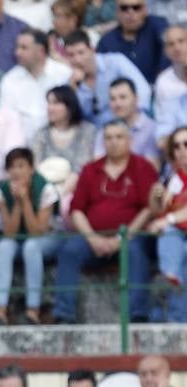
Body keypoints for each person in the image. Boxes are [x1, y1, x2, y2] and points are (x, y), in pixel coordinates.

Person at [51, 119, 156, 323]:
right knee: (69, 251)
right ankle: (63, 315)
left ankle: (137, 316)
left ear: (130, 140)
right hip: (93, 237)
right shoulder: (90, 169)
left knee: (135, 252)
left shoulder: (142, 167)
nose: (113, 142)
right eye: (108, 137)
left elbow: (148, 209)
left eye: (119, 137)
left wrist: (122, 238)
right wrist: (92, 238)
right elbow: (77, 210)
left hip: (130, 237)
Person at [0, 147, 62, 324]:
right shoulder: (1, 191)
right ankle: (0, 310)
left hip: (47, 238)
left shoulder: (46, 189)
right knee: (3, 245)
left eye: (21, 166)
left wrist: (26, 201)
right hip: (18, 238)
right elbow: (9, 233)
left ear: (31, 168)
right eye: (12, 167)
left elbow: (37, 230)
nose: (16, 172)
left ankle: (33, 310)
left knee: (32, 246)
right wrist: (17, 203)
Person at [64, 29, 151, 125]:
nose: (77, 60)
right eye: (71, 55)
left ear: (92, 50)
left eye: (81, 52)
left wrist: (136, 121)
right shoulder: (71, 83)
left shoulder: (116, 61)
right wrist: (73, 91)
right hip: (98, 134)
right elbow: (77, 119)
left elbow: (143, 90)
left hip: (128, 124)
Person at [148, 125, 187, 323]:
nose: (182, 151)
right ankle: (170, 276)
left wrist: (168, 219)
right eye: (176, 146)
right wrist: (156, 197)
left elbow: (167, 218)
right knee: (172, 239)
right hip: (179, 236)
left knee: (169, 232)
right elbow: (158, 212)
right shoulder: (172, 178)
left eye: (186, 144)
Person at [0, 28, 72, 133]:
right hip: (21, 145)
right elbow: (7, 120)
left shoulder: (63, 74)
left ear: (41, 51)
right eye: (17, 47)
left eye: (24, 48)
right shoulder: (9, 80)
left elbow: (70, 113)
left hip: (58, 141)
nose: (17, 53)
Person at [29, 83, 98, 173]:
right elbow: (35, 166)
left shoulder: (88, 131)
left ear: (69, 105)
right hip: (46, 185)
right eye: (49, 103)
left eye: (56, 103)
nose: (50, 108)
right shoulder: (41, 134)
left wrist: (66, 185)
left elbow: (86, 164)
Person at [96, 0, 169, 83]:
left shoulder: (157, 26)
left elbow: (170, 52)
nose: (130, 13)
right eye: (124, 8)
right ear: (117, 12)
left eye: (136, 7)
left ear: (145, 10)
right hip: (121, 93)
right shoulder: (106, 42)